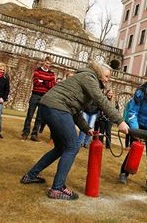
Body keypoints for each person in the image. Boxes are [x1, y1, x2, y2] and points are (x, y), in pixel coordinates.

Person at [20, 61, 129, 201]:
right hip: (57, 108)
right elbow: (102, 101)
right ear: (99, 72)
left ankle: (31, 175)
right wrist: (120, 120)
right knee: (72, 146)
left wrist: (86, 128)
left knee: (60, 148)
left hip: (48, 106)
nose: (107, 80)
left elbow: (75, 111)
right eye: (107, 76)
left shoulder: (83, 78)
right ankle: (57, 189)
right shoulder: (89, 78)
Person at [21, 56, 55, 142]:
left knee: (39, 117)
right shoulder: (37, 70)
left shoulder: (52, 74)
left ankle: (34, 135)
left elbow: (52, 85)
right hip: (35, 95)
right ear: (44, 62)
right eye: (47, 63)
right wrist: (46, 82)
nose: (47, 65)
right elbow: (36, 82)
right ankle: (25, 133)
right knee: (30, 115)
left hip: (44, 97)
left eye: (49, 64)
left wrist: (42, 81)